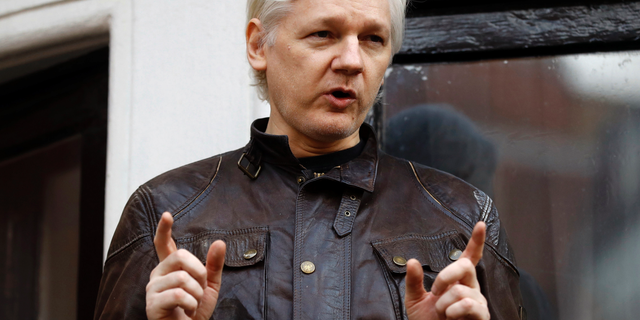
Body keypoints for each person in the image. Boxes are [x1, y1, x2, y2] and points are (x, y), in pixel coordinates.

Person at [94, 0, 524, 319]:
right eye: (324, 34)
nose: (352, 60)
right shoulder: (164, 211)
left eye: (373, 39)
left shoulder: (464, 218)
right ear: (259, 45)